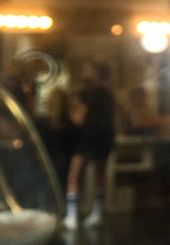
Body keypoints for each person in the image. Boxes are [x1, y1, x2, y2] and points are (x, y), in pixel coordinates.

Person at [67, 61, 118, 228]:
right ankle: (97, 213)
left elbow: (79, 119)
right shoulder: (110, 93)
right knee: (100, 173)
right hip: (107, 134)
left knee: (76, 172)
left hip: (88, 135)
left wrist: (68, 110)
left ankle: (72, 216)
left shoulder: (87, 91)